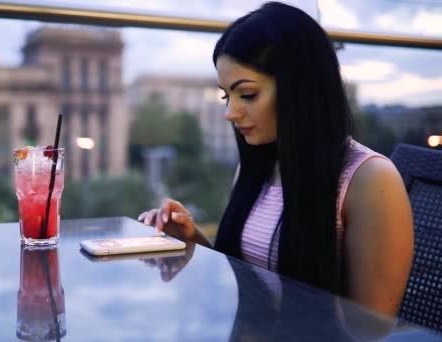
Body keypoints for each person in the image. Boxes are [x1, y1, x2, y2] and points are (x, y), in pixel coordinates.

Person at [138, 1, 413, 318]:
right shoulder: (257, 167)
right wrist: (191, 238)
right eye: (227, 96)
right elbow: (254, 281)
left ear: (299, 88)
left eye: (248, 94)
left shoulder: (370, 180)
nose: (230, 113)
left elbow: (371, 329)